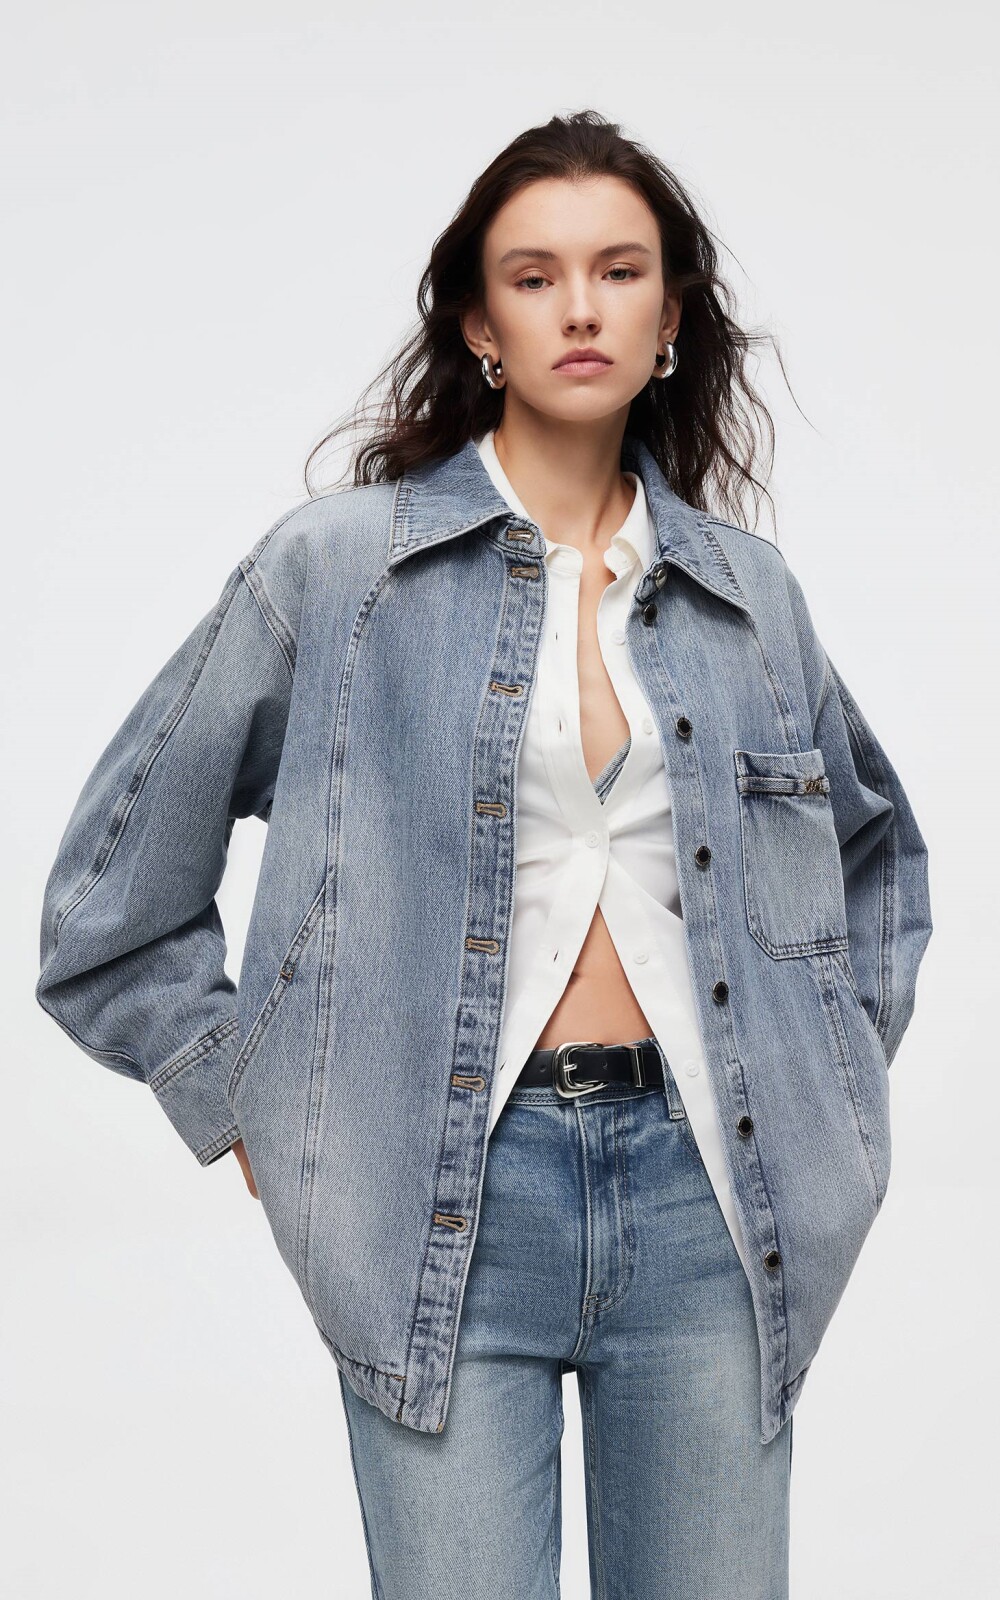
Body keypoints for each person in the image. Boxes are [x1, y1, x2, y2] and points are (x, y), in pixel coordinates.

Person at [35, 110, 933, 1598]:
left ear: (669, 320)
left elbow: (873, 861)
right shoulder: (340, 572)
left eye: (619, 271)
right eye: (534, 276)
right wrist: (249, 1100)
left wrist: (823, 1077)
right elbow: (109, 903)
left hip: (710, 1202)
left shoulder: (749, 597)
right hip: (441, 1205)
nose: (581, 306)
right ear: (479, 324)